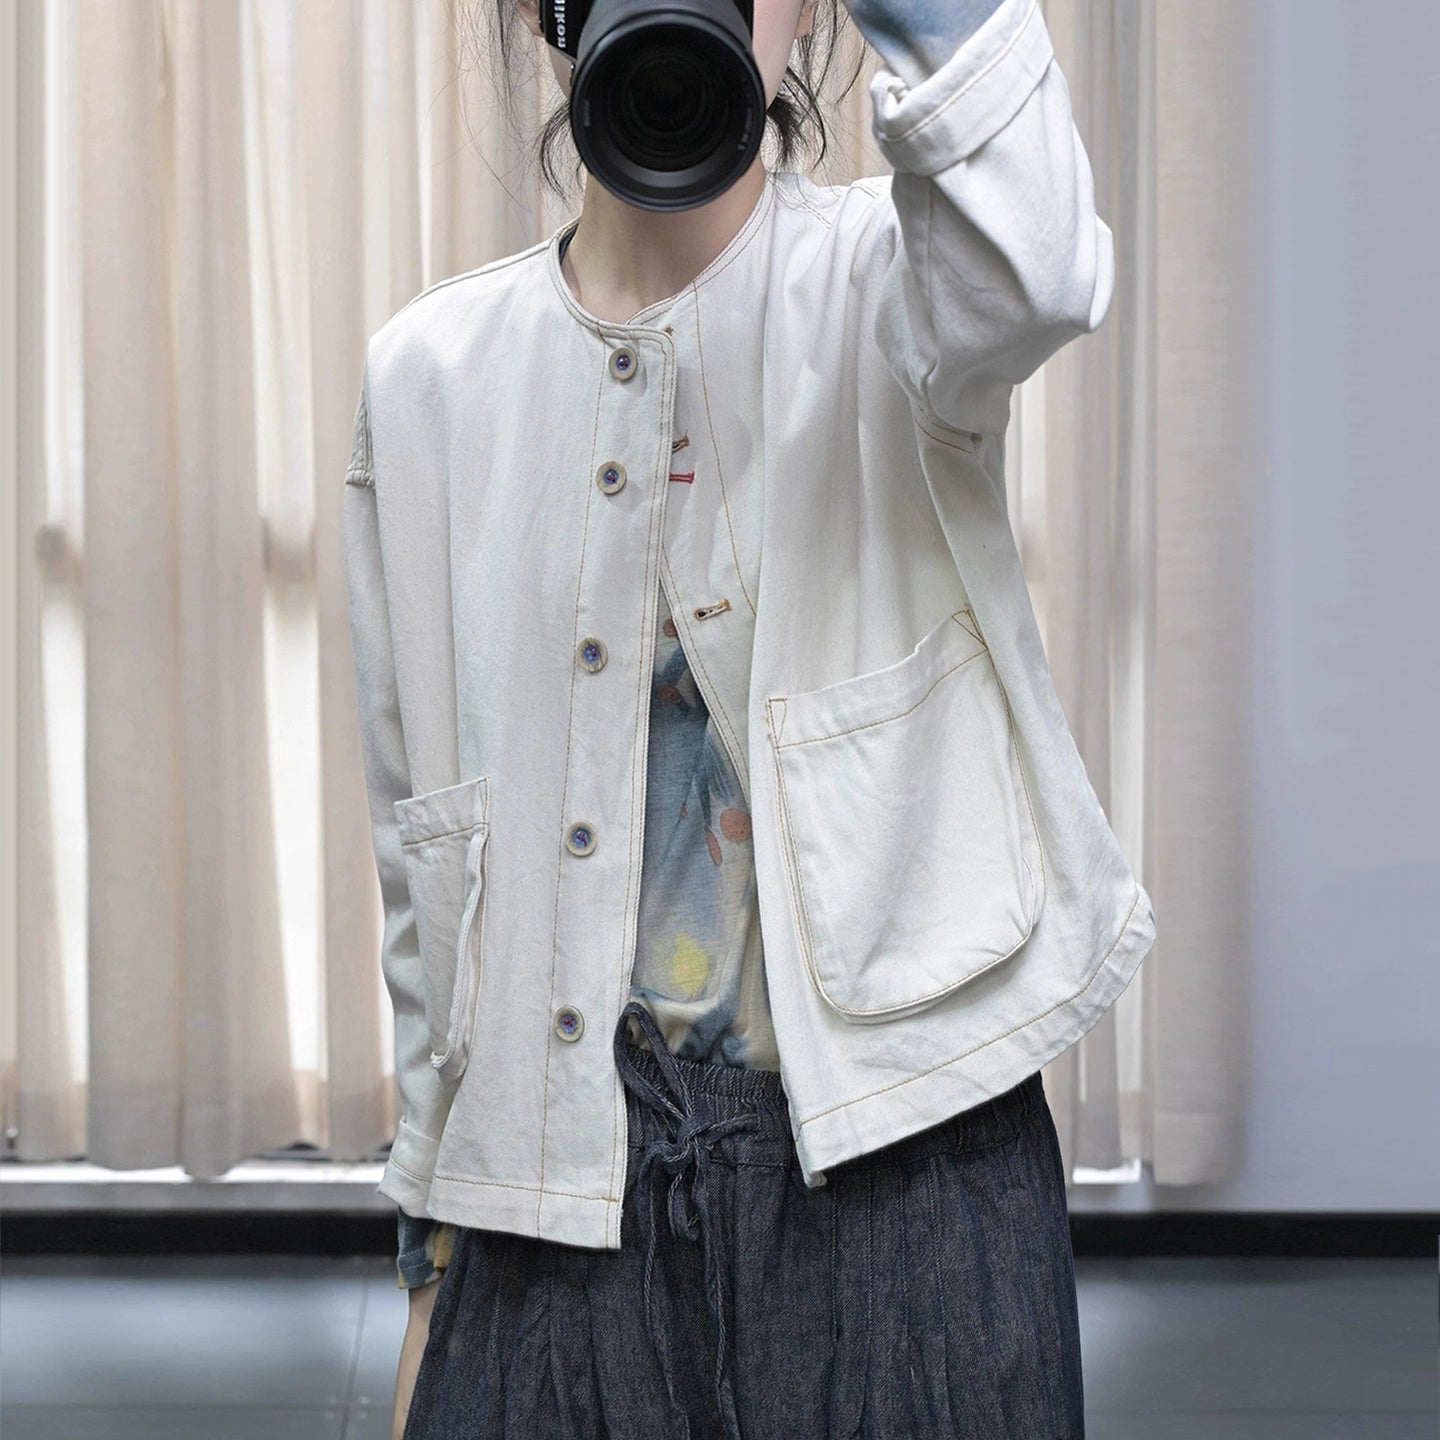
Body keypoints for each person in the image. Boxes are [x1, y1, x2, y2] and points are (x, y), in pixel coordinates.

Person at [343, 0, 1154, 1435]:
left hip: (911, 1169)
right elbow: (429, 865)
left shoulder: (897, 283)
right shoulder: (430, 379)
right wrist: (432, 1250)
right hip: (557, 1197)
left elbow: (1037, 275)